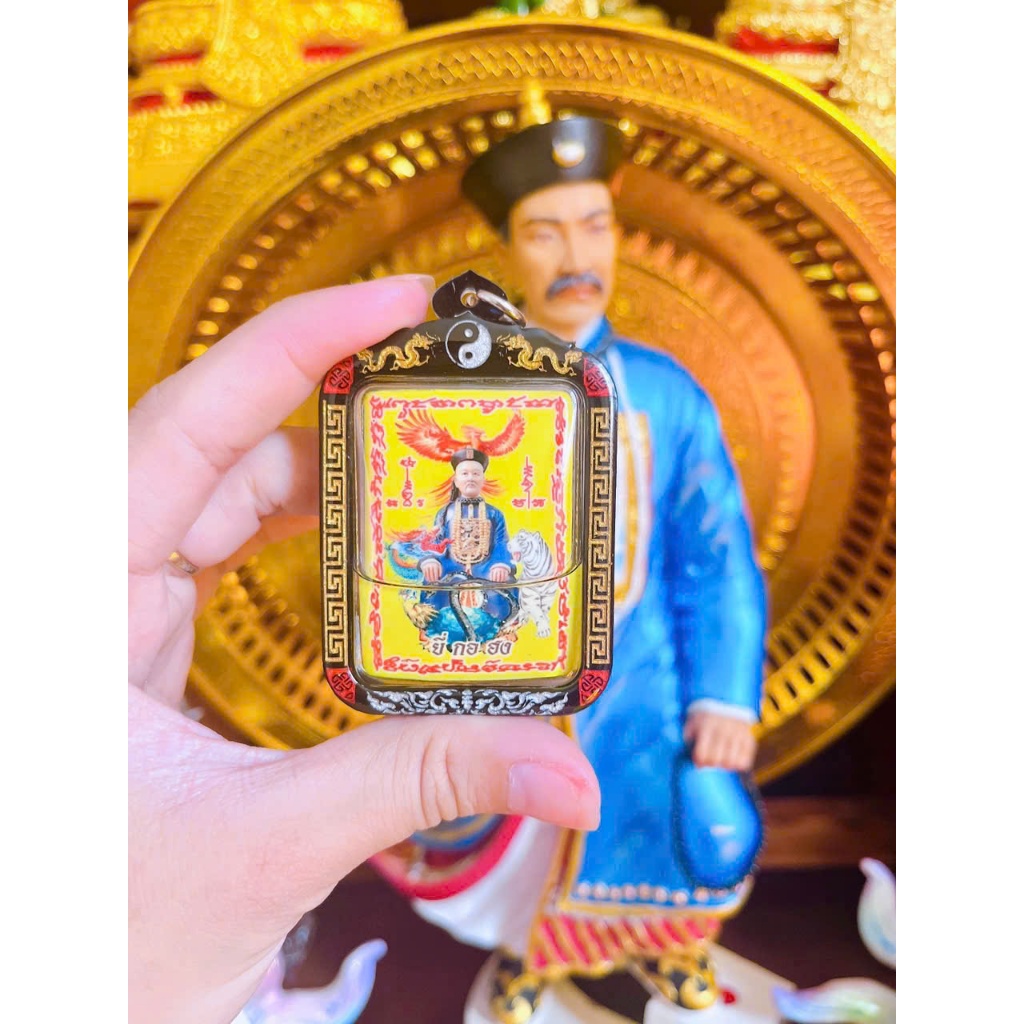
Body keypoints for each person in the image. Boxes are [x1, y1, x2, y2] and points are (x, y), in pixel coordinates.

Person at [373, 90, 768, 1020]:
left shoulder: (667, 395)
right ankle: (532, 956)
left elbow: (716, 558)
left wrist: (723, 697)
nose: (576, 256)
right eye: (545, 233)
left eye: (595, 226)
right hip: (505, 670)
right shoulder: (461, 393)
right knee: (511, 825)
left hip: (646, 682)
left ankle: (665, 948)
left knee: (683, 827)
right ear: (508, 248)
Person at [127, 275, 603, 1024]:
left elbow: (502, 545)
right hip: (444, 588)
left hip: (493, 590)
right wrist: (439, 566)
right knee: (435, 602)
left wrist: (493, 567)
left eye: (477, 473)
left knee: (497, 600)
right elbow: (432, 548)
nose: (470, 480)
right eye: (463, 473)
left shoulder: (500, 506)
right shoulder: (443, 510)